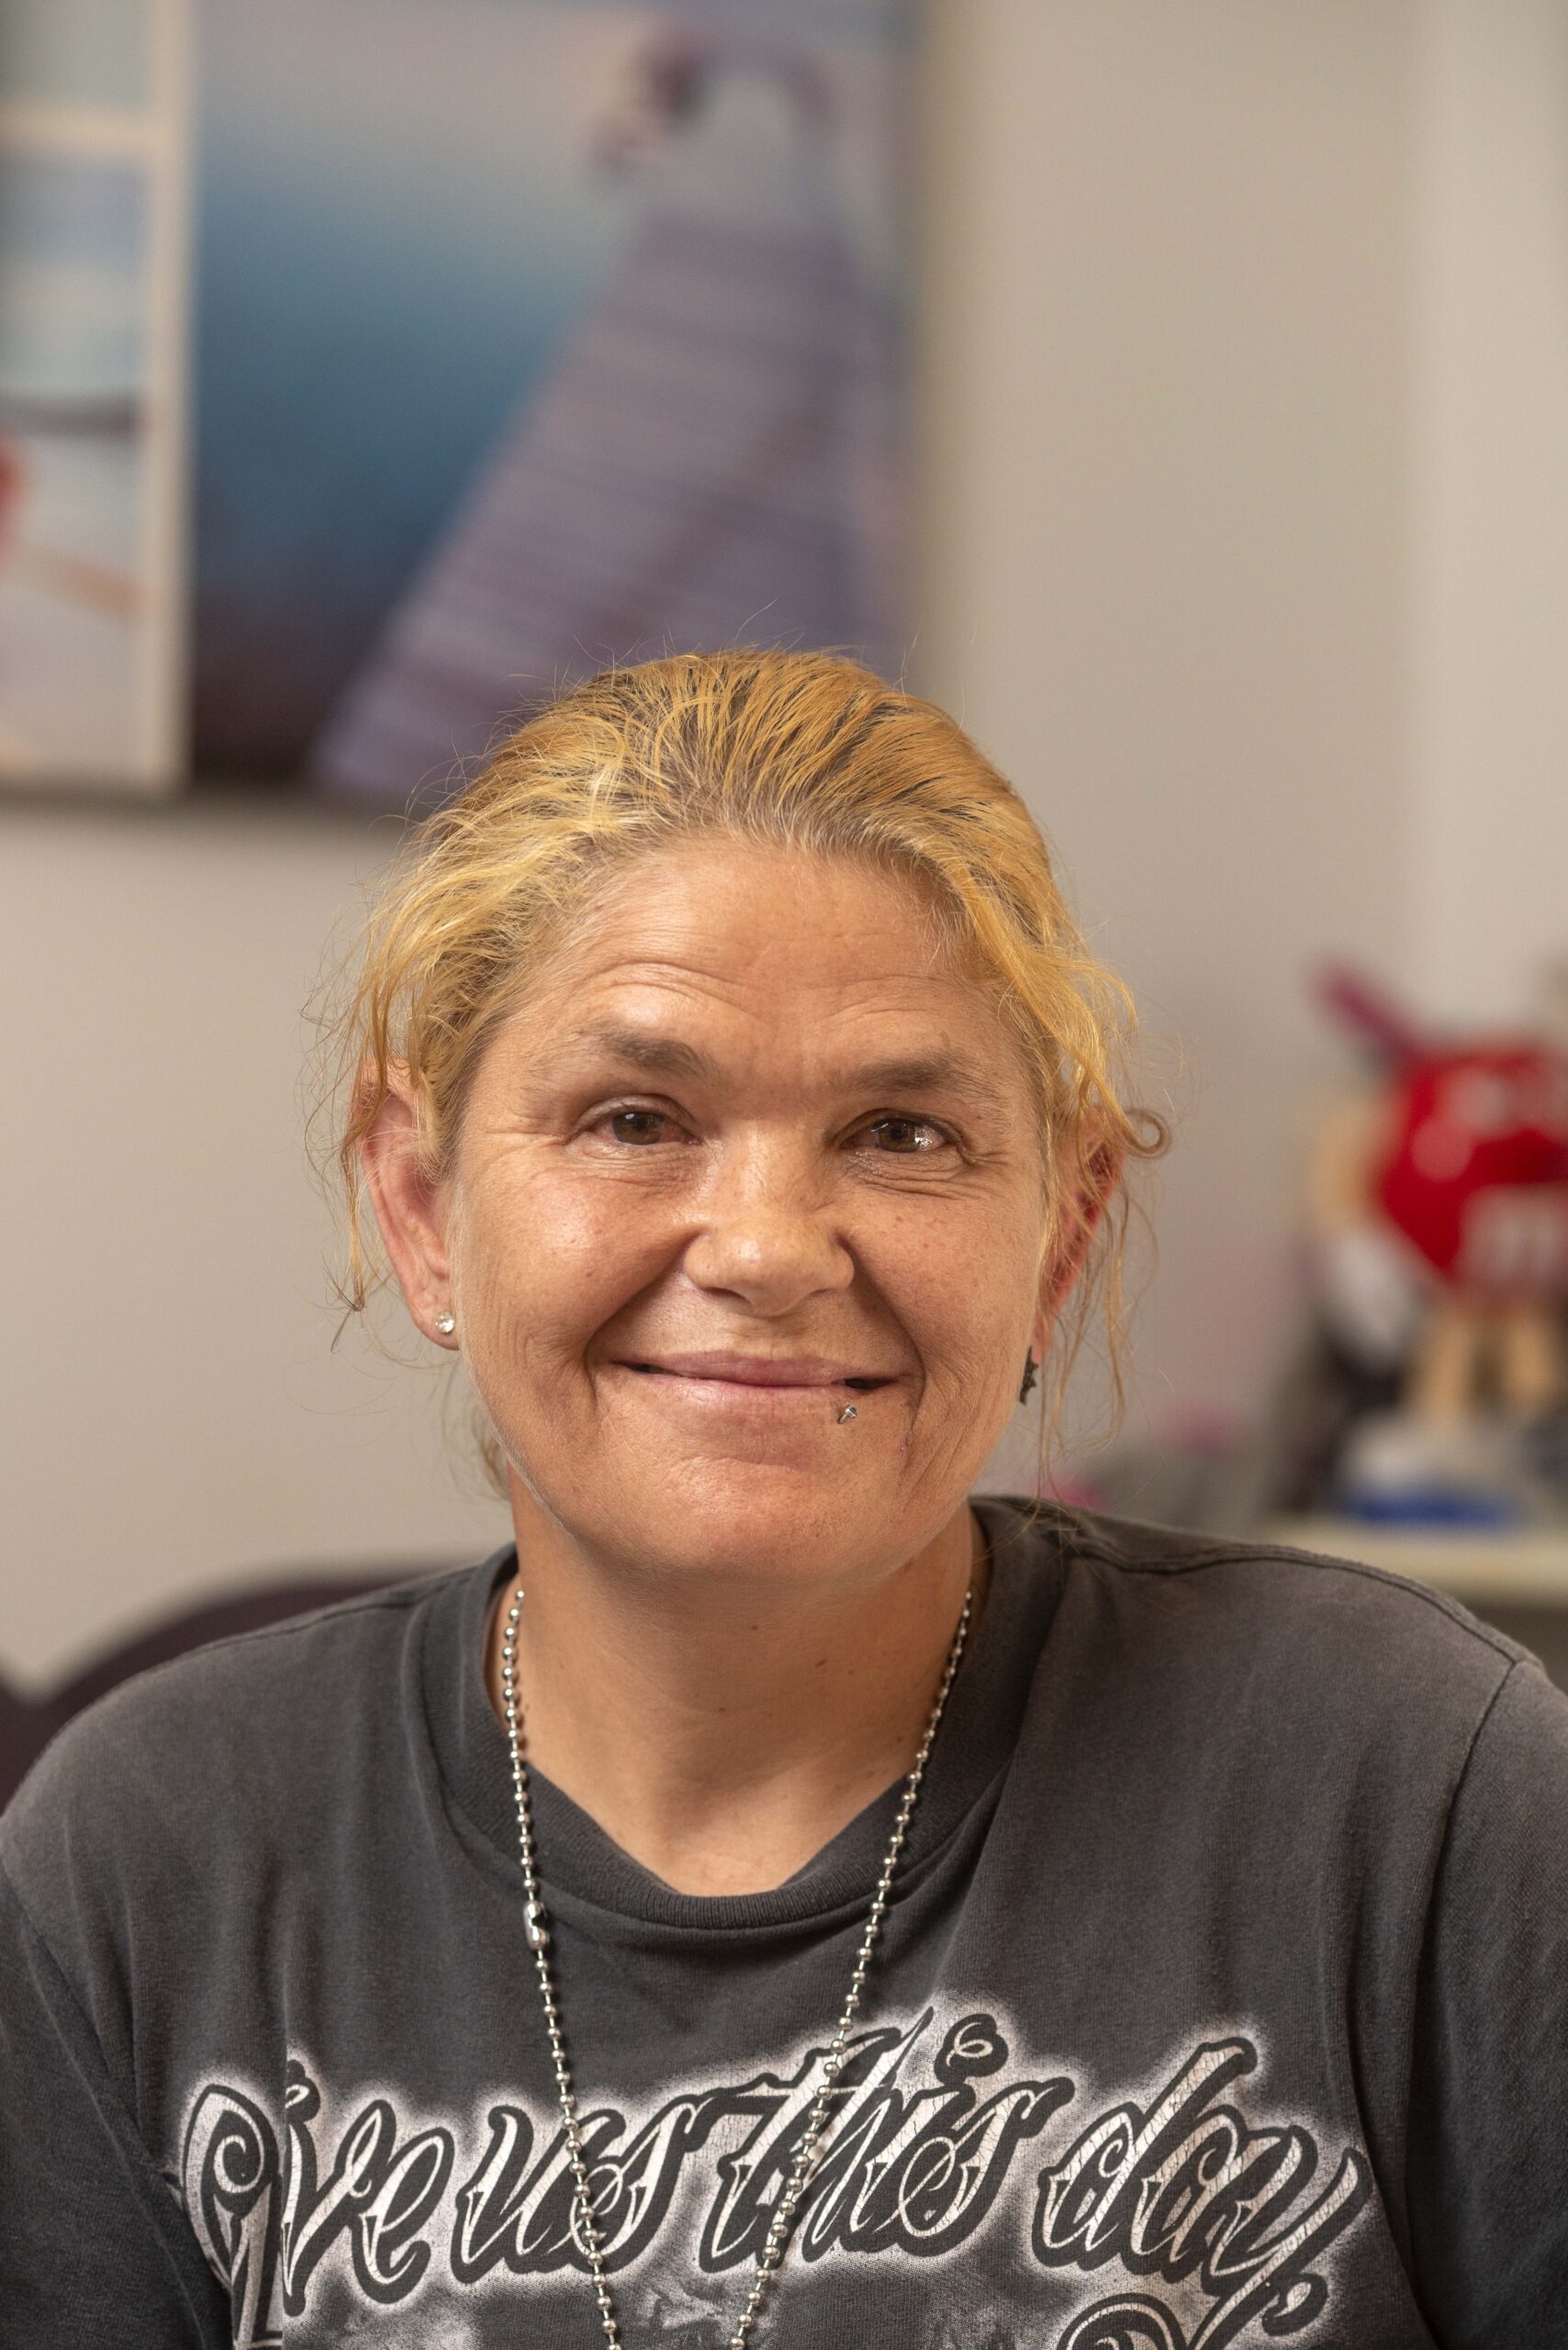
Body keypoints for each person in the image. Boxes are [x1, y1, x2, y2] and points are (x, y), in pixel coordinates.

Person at [2, 650, 1565, 2349]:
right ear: (424, 1203)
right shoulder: (142, 1861)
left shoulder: (1414, 1785)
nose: (762, 1250)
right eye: (632, 1118)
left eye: (902, 1133)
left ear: (1062, 1232)